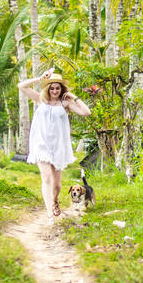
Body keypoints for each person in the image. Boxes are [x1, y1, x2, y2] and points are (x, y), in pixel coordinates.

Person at [19, 67, 91, 220]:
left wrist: (73, 96)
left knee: (57, 185)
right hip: (41, 144)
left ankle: (55, 201)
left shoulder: (65, 104)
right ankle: (50, 214)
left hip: (58, 146)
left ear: (61, 89)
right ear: (48, 88)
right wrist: (39, 78)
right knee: (46, 178)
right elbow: (22, 86)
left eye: (58, 88)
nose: (54, 90)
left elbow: (86, 112)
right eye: (52, 87)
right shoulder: (40, 99)